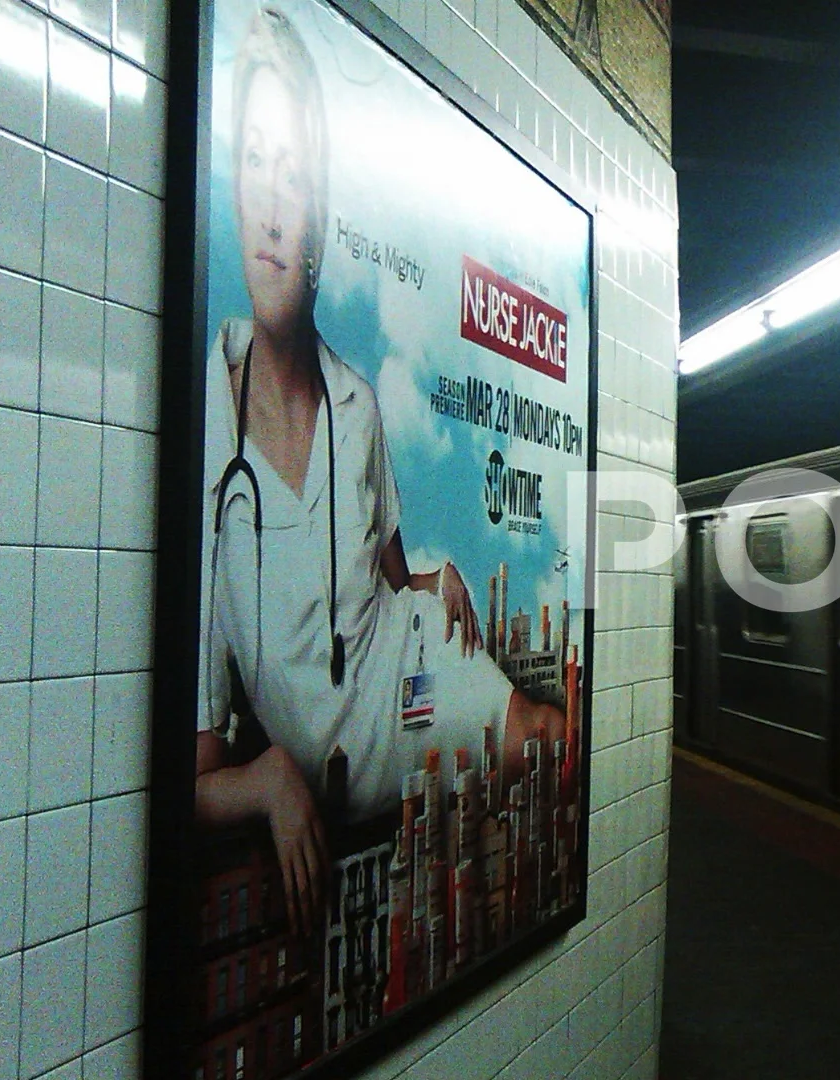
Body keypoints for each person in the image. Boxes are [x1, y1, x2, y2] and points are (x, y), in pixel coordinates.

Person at [194, 6, 565, 936]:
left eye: (298, 175)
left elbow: (388, 582)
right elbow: (192, 777)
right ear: (233, 187)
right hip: (326, 762)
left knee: (546, 738)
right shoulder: (204, 419)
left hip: (408, 693)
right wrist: (266, 782)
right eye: (255, 162)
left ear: (321, 215)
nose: (275, 204)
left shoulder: (357, 404)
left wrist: (437, 574)